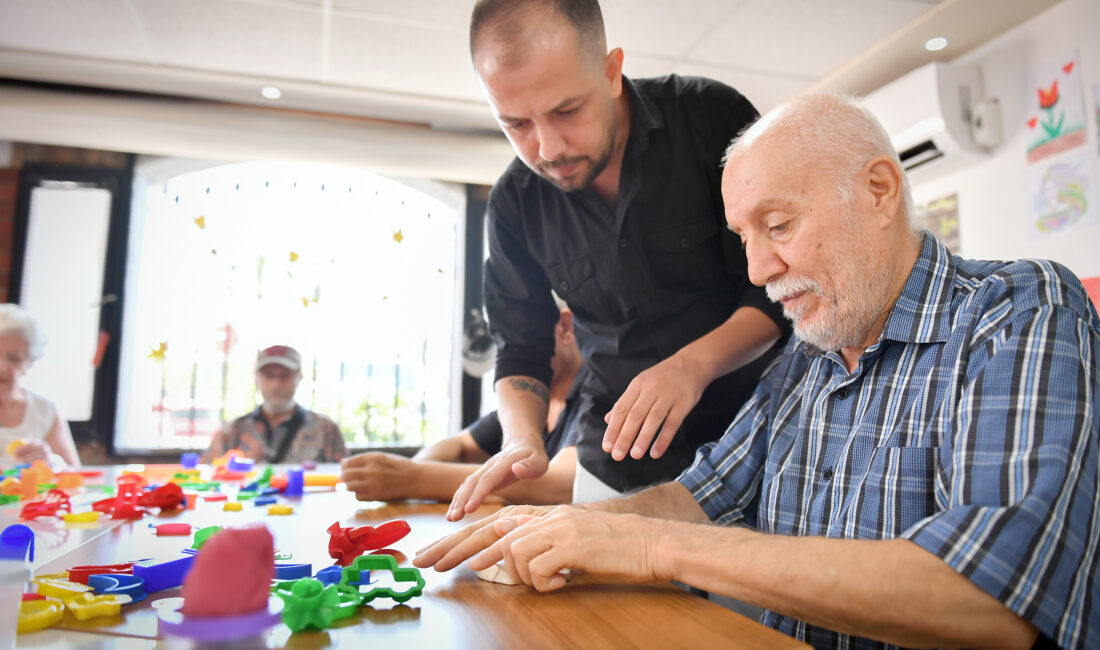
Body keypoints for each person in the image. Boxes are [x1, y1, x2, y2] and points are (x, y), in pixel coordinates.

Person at [414, 93, 1100, 649]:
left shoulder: (1022, 311)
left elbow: (989, 595)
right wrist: (565, 530)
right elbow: (701, 494)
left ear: (880, 190)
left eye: (777, 225)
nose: (756, 272)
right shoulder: (806, 359)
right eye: (744, 238)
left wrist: (653, 548)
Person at [448, 0, 789, 520]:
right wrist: (521, 439)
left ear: (611, 72)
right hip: (614, 460)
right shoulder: (516, 202)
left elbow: (774, 285)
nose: (548, 147)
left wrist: (691, 367)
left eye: (567, 110)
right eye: (516, 124)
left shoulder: (710, 118)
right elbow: (520, 349)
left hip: (754, 440)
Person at [341, 309, 584, 505]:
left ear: (564, 327)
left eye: (518, 340)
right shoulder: (527, 401)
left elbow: (564, 484)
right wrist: (408, 472)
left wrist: (413, 479)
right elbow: (460, 445)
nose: (506, 357)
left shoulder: (598, 394)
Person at [205, 345, 346, 463]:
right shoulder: (232, 431)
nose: (276, 384)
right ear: (256, 378)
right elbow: (207, 477)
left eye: (285, 376)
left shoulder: (326, 430)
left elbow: (345, 477)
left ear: (299, 378)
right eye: (268, 375)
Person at [0, 304, 80, 470]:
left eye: (14, 358)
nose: (2, 367)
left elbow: (75, 474)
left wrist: (51, 462)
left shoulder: (44, 409)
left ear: (29, 362)